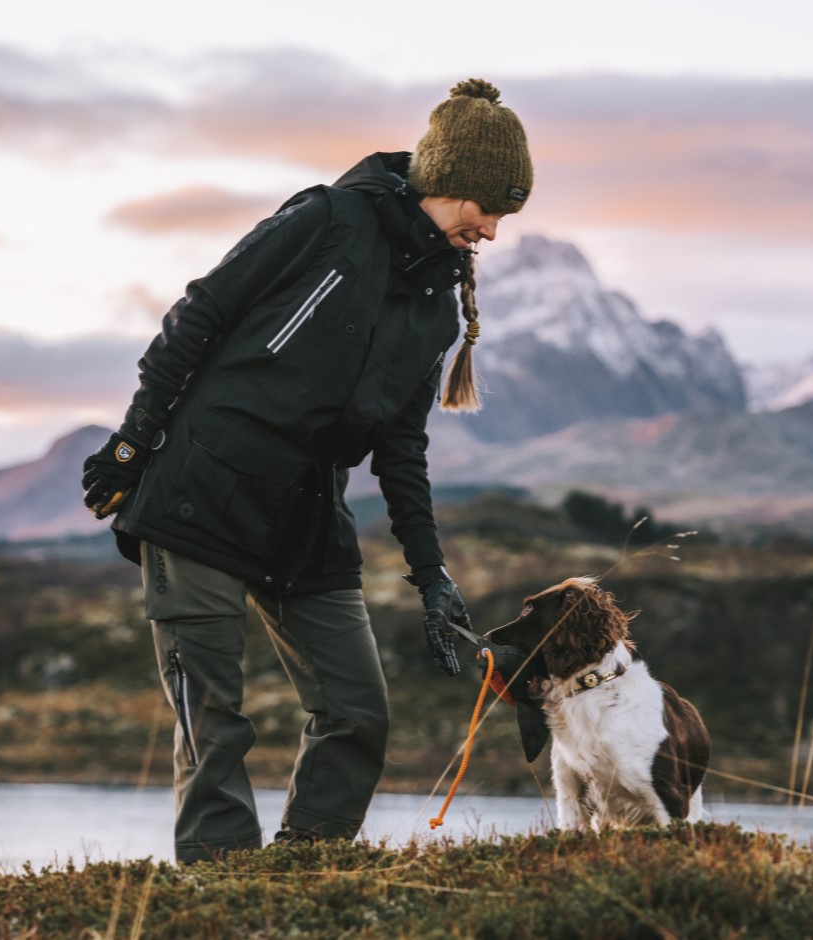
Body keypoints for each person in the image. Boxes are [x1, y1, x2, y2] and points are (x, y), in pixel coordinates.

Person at [81, 78, 533, 864]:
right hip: (202, 492)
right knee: (212, 724)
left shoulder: (436, 305)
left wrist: (431, 575)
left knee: (357, 713)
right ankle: (220, 893)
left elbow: (401, 448)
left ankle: (303, 875)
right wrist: (132, 443)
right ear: (447, 180)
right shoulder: (326, 219)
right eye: (487, 209)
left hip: (309, 516)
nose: (492, 230)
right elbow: (200, 315)